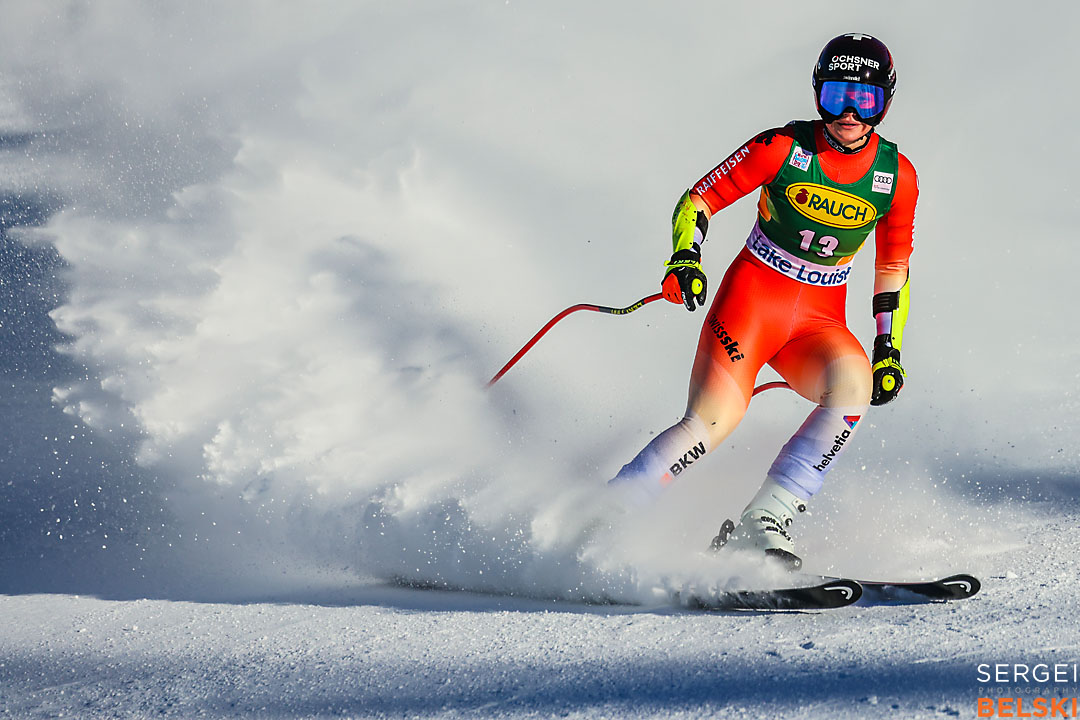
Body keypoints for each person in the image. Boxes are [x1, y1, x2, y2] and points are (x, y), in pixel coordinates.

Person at [608, 33, 918, 570]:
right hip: (753, 302)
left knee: (853, 389)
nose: (848, 112)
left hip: (817, 322)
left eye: (865, 100)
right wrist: (685, 258)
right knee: (710, 425)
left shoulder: (898, 177)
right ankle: (608, 517)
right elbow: (699, 199)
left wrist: (887, 347)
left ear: (884, 105)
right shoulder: (783, 148)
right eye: (836, 95)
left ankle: (765, 521)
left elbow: (893, 269)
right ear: (817, 93)